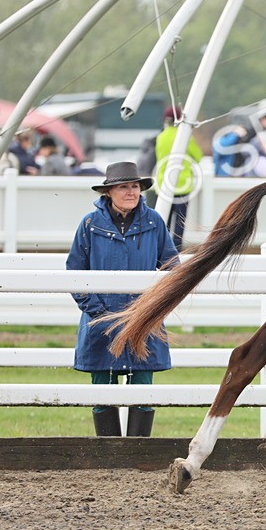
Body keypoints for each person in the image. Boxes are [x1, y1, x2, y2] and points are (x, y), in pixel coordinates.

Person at [67, 161, 179, 437]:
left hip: (143, 320)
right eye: (123, 186)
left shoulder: (154, 222)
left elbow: (172, 268)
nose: (131, 192)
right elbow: (75, 272)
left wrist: (151, 310)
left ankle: (137, 451)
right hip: (100, 320)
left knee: (143, 387)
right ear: (109, 192)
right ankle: (109, 451)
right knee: (102, 387)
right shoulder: (90, 224)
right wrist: (100, 313)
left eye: (135, 186)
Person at [154, 106, 203, 250]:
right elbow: (198, 157)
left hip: (164, 184)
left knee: (164, 221)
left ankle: (161, 250)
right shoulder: (185, 136)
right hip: (183, 185)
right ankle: (175, 252)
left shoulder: (161, 137)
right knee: (180, 224)